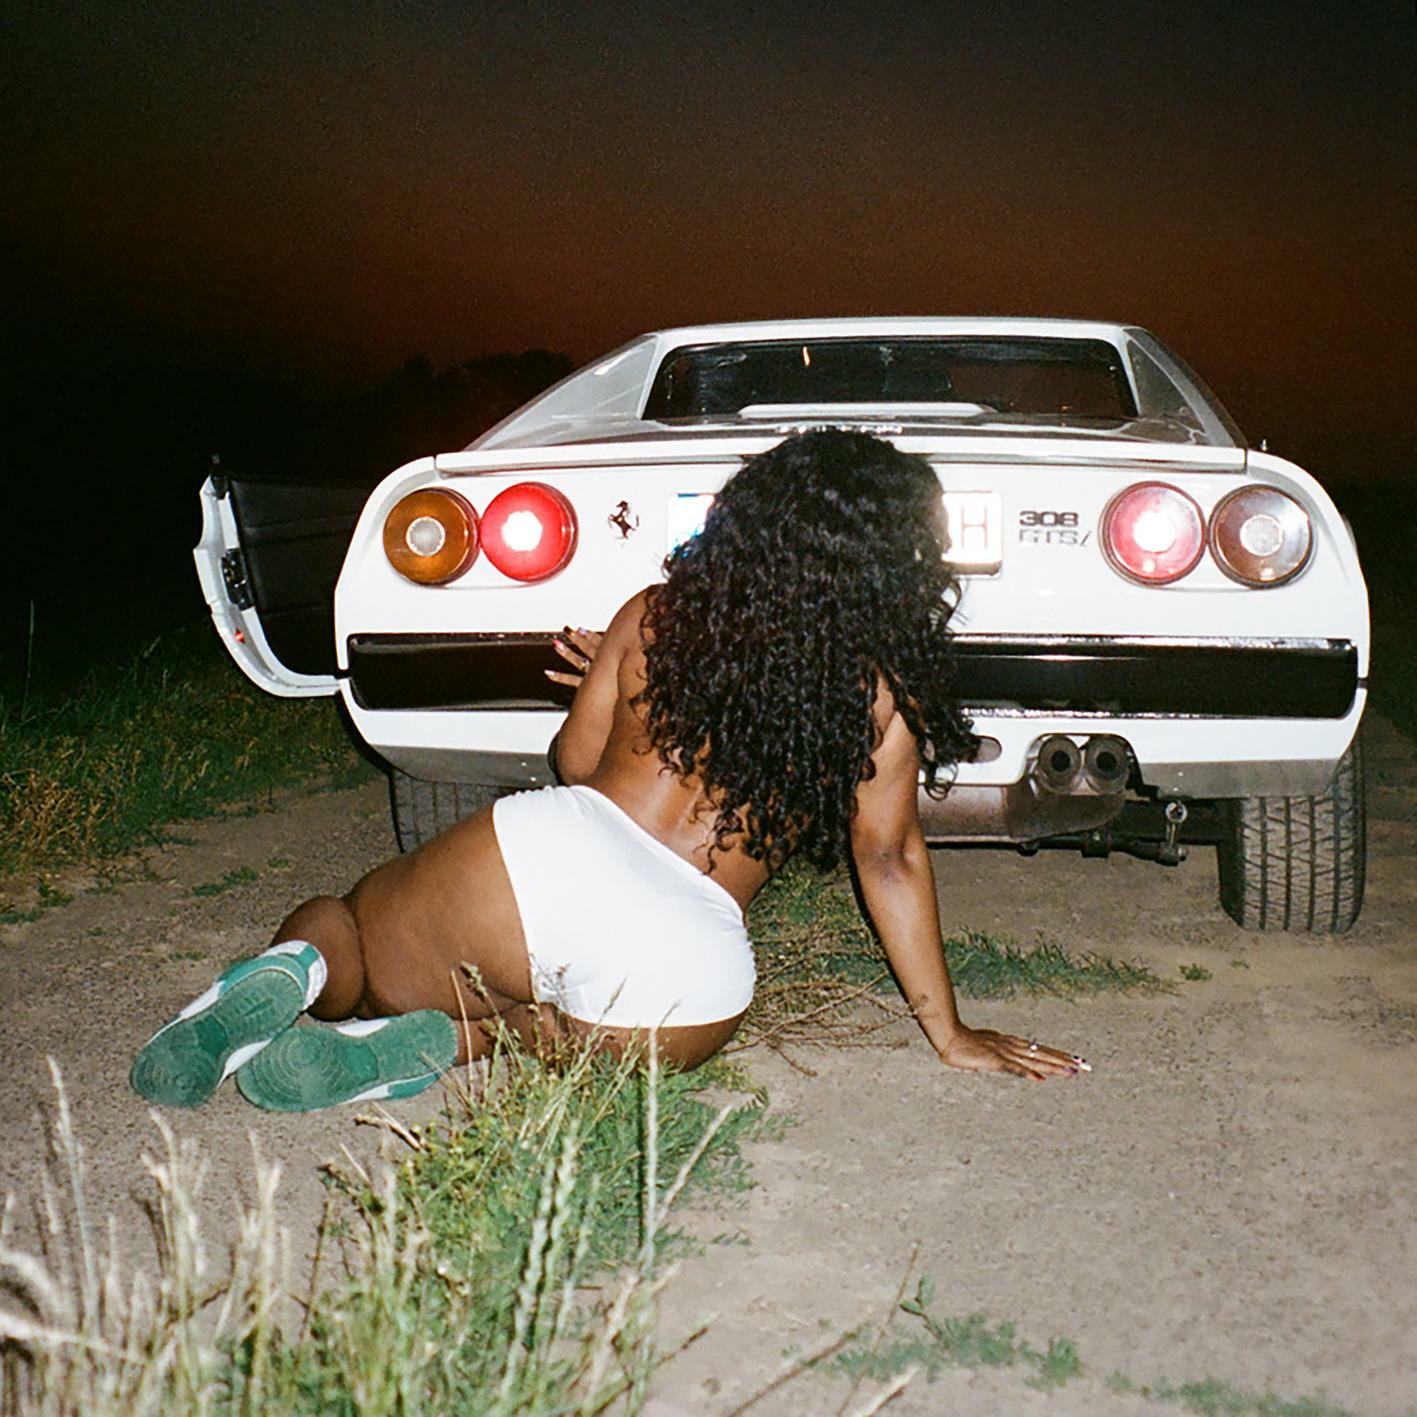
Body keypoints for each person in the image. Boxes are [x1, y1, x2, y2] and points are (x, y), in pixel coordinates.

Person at [131, 430, 1084, 1112]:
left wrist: (612, 678)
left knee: (356, 938)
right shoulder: (877, 694)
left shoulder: (653, 614)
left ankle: (292, 972)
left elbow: (572, 763)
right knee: (570, 1033)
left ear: (750, 520)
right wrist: (949, 1032)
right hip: (681, 961)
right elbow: (889, 859)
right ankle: (476, 1040)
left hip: (538, 863)